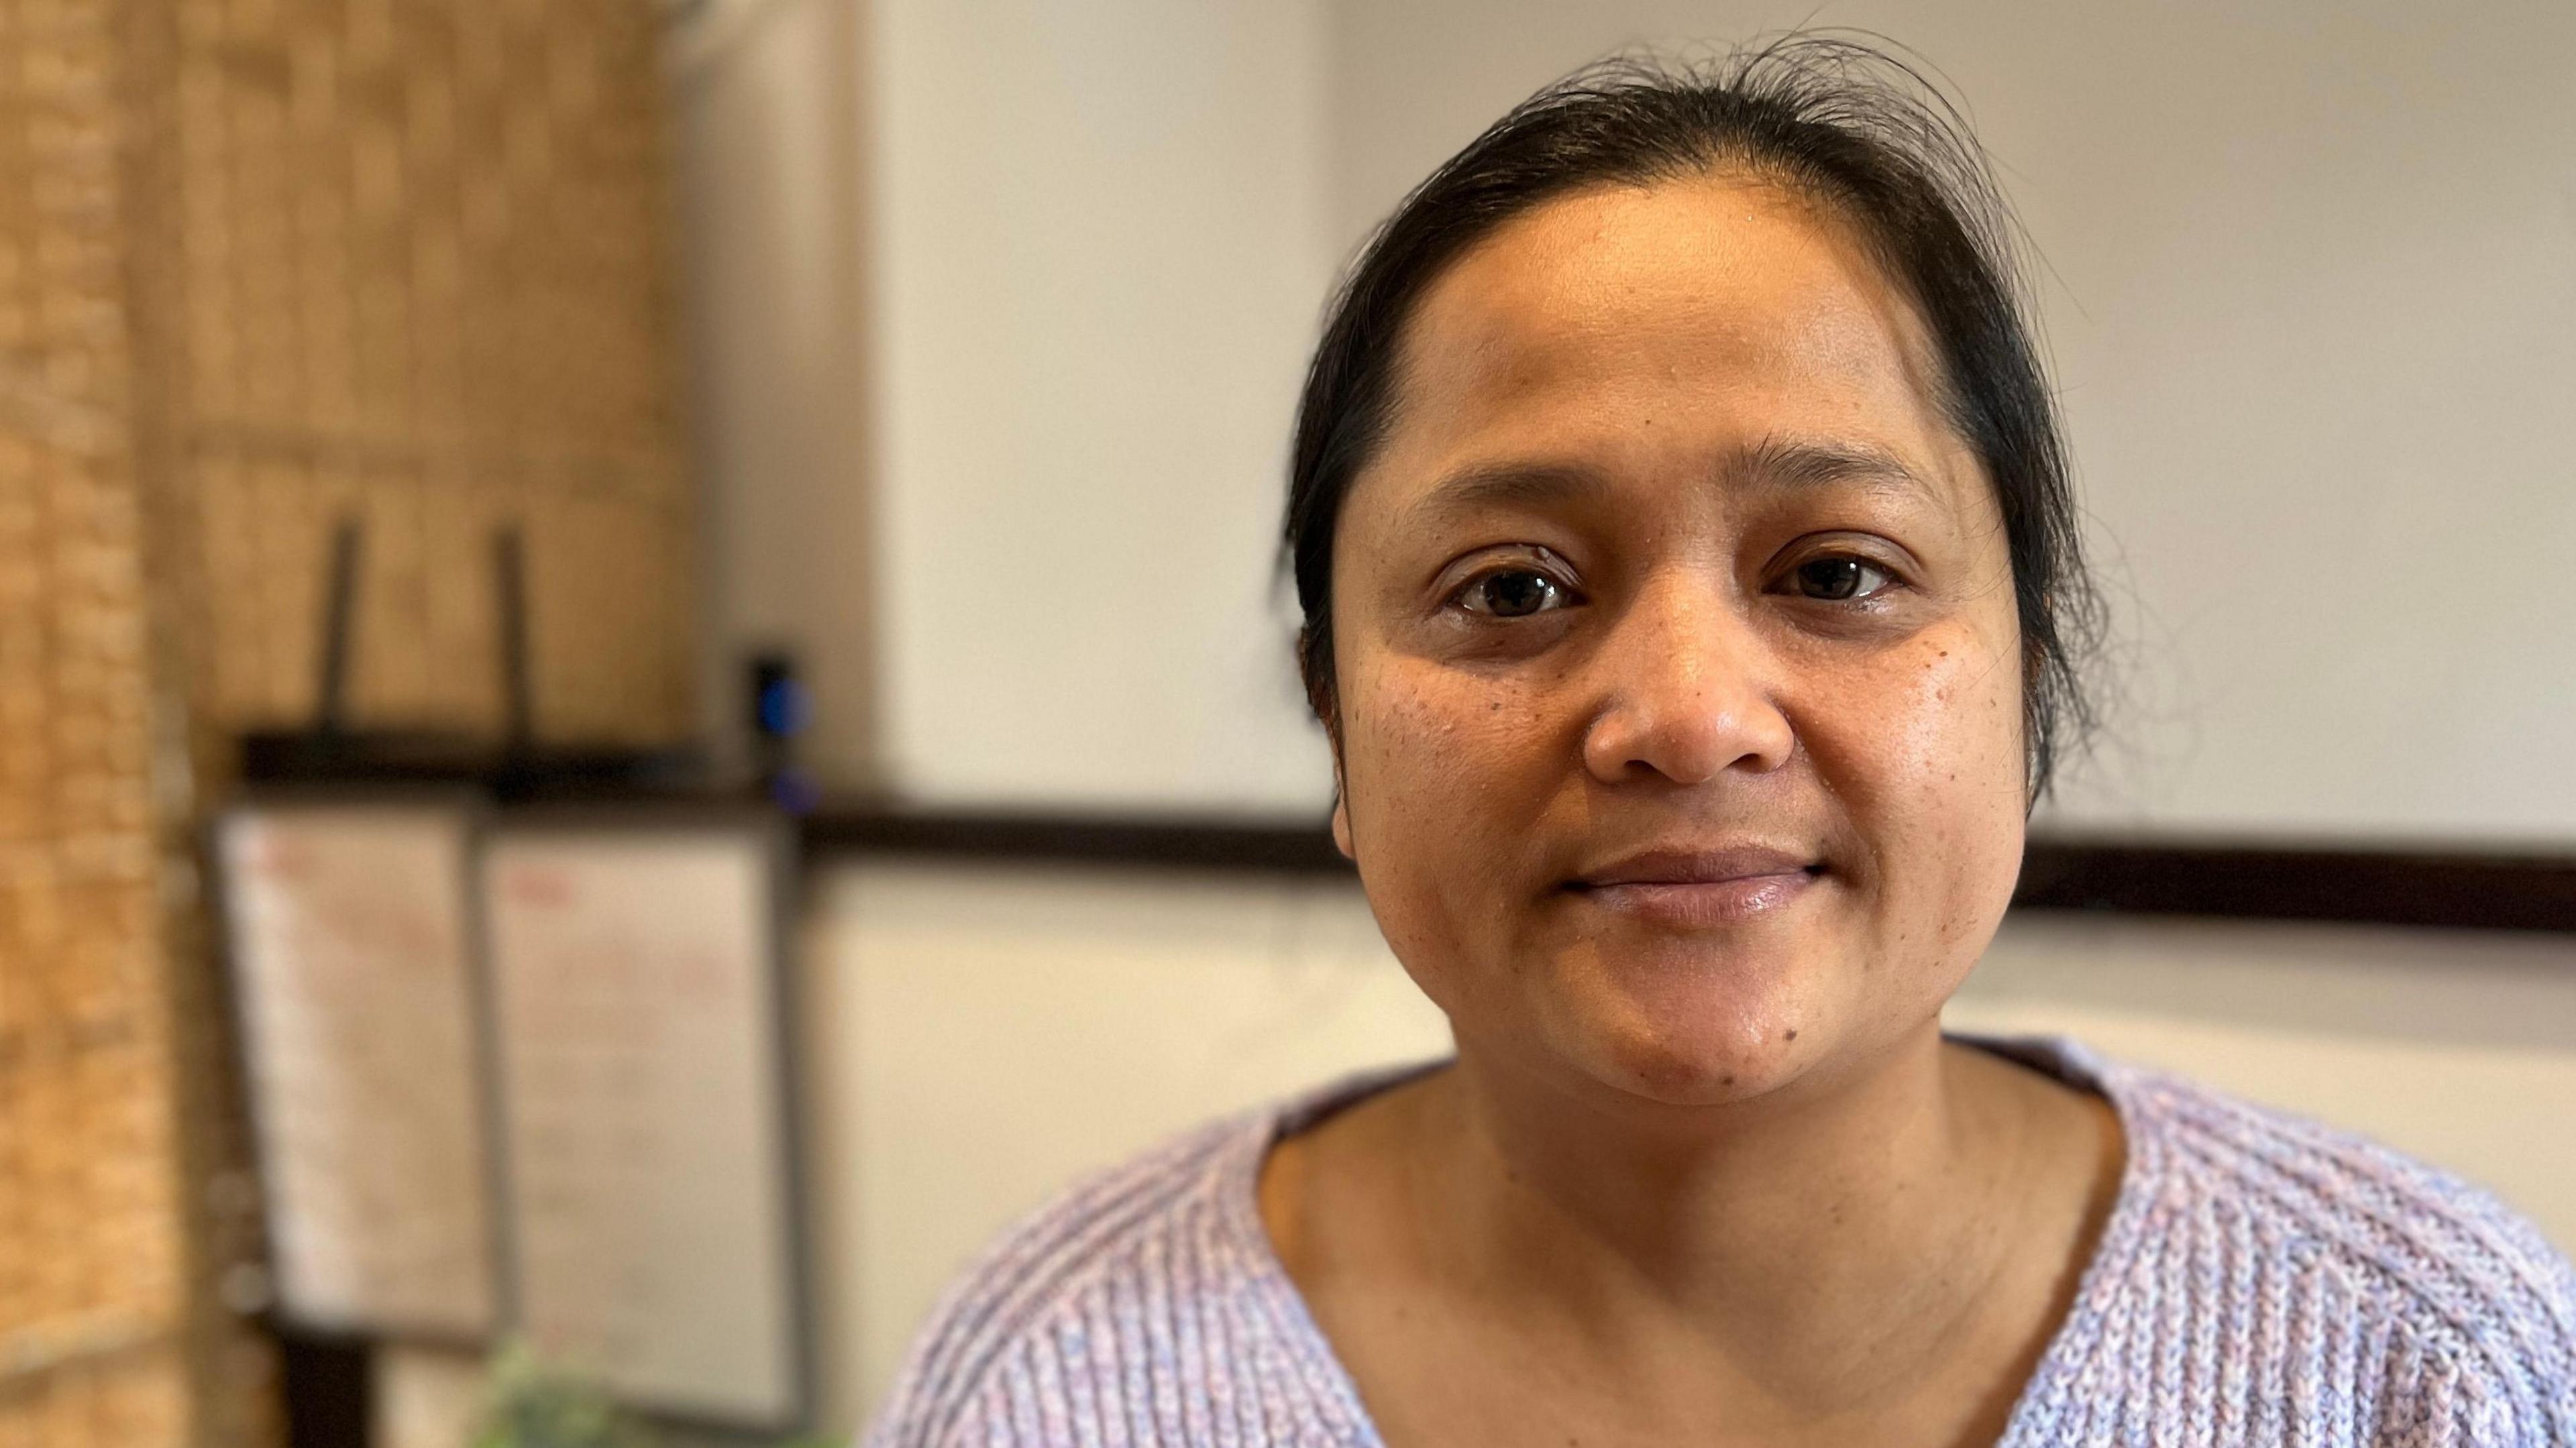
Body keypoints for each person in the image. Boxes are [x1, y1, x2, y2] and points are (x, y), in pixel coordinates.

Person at [863, 40, 2576, 1448]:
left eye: (1838, 572)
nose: (1688, 717)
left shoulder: (2418, 1373)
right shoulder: (1055, 1382)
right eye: (1513, 586)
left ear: (2024, 684)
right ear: (1335, 725)